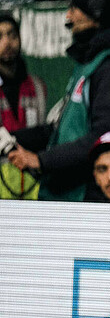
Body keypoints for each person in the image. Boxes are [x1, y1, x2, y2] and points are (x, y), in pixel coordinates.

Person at [8, 0, 110, 201]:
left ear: (95, 12)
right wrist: (9, 137)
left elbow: (106, 137)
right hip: (74, 195)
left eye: (74, 8)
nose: (68, 16)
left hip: (95, 199)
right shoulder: (91, 64)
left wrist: (41, 161)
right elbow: (59, 132)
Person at [0, 13, 46, 199]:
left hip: (33, 185)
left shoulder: (37, 85)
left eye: (12, 35)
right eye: (0, 37)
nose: (8, 42)